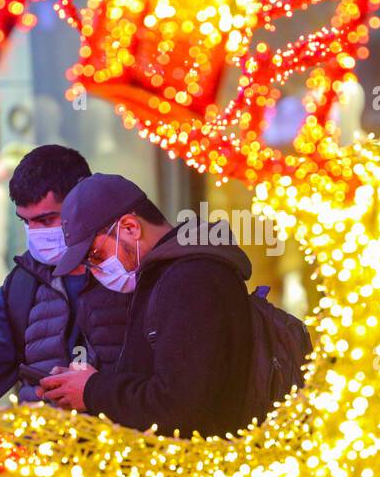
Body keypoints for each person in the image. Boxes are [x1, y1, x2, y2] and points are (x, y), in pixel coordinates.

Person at [37, 173, 255, 437]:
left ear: (130, 227)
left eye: (96, 255)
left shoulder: (190, 279)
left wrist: (92, 390)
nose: (95, 270)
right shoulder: (164, 276)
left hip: (200, 469)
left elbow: (178, 408)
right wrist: (85, 385)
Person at [0, 146, 131, 408]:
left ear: (82, 203)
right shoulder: (21, 285)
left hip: (128, 443)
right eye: (26, 222)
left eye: (47, 220)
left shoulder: (131, 271)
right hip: (40, 444)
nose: (35, 233)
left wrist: (98, 391)